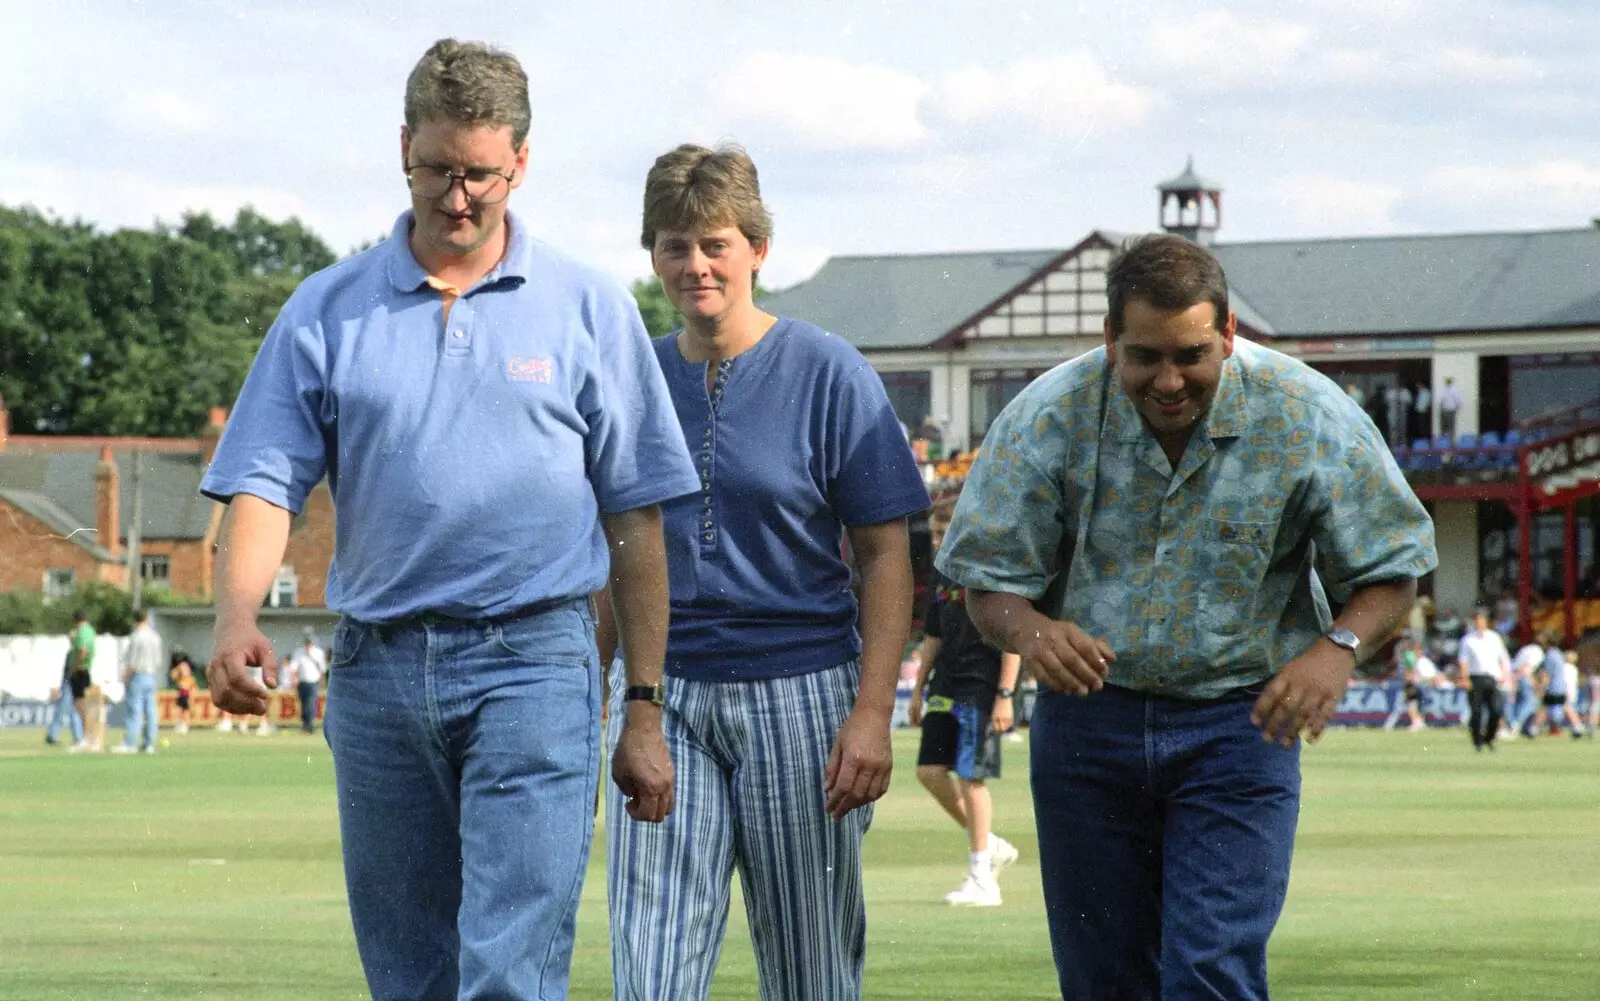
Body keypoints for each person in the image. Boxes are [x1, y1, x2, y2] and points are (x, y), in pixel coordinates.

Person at [199, 39, 697, 1001]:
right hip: (378, 670)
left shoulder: (587, 307)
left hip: (537, 662)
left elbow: (636, 522)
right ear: (402, 151)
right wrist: (234, 616)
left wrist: (642, 703)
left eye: (480, 174)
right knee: (410, 976)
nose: (457, 196)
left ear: (520, 162)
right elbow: (264, 483)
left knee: (509, 971)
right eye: (438, 170)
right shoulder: (326, 310)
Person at [936, 233, 1436, 1000]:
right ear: (1109, 340)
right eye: (1143, 356)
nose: (1168, 379)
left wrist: (1335, 648)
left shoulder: (1306, 414)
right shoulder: (1048, 416)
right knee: (1103, 977)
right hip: (1089, 722)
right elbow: (986, 584)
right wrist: (1035, 632)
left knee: (1211, 967)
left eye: (1192, 354)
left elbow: (1394, 570)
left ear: (1229, 335)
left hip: (1240, 723)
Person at [601, 143, 928, 1001]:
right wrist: (595, 694)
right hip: (660, 695)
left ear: (757, 247)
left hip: (802, 693)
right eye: (674, 244)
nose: (695, 264)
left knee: (811, 971)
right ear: (652, 255)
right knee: (652, 969)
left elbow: (888, 556)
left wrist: (871, 713)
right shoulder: (632, 376)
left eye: (714, 242)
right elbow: (611, 554)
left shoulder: (829, 372)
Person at [908, 539, 1022, 907]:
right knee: (928, 771)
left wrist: (1005, 695)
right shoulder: (945, 571)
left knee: (971, 776)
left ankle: (982, 879)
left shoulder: (997, 565)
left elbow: (1012, 638)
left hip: (982, 685)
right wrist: (917, 689)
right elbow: (933, 635)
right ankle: (990, 845)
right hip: (945, 683)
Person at [1458, 609, 1512, 751]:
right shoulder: (1468, 640)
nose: (1479, 623)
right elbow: (1463, 661)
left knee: (1496, 710)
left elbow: (1501, 658)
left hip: (1492, 678)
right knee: (1476, 712)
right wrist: (1465, 678)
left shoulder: (1494, 638)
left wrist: (1504, 675)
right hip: (1475, 678)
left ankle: (1489, 738)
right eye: (1476, 620)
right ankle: (1477, 741)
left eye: (1481, 620)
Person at [112, 607, 163, 754]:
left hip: (137, 676)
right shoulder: (155, 637)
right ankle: (149, 743)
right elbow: (158, 661)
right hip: (150, 676)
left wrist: (125, 679)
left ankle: (130, 743)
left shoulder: (136, 637)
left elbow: (131, 662)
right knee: (151, 711)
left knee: (134, 711)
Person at [1531, 638, 1588, 739]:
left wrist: (1541, 688)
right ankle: (1577, 727)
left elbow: (1546, 674)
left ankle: (1533, 729)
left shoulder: (1549, 655)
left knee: (1545, 707)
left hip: (1553, 687)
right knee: (1566, 706)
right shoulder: (1559, 654)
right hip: (1560, 686)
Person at [65, 610, 97, 752]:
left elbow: (82, 650)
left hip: (80, 671)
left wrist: (75, 666)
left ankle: (87, 738)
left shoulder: (82, 631)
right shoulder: (90, 630)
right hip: (84, 670)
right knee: (82, 705)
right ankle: (88, 737)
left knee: (80, 705)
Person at [44, 647, 84, 747]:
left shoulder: (72, 653)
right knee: (68, 710)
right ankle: (76, 737)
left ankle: (54, 735)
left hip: (69, 682)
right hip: (70, 682)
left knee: (67, 710)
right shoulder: (73, 653)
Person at [288, 629, 327, 733]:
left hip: (313, 682)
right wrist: (294, 679)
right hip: (302, 682)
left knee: (310, 703)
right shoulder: (298, 652)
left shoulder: (318, 653)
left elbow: (322, 669)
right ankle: (306, 724)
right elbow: (293, 667)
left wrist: (322, 681)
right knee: (304, 703)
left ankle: (309, 725)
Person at [1508, 633, 1544, 738]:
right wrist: (1534, 683)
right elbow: (1526, 667)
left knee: (1518, 702)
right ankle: (1517, 724)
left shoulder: (1526, 648)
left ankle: (1521, 726)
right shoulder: (1538, 652)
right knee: (1531, 702)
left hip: (1515, 674)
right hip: (1523, 676)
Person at [168, 650, 195, 734]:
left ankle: (185, 725)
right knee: (181, 709)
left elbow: (174, 677)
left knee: (184, 709)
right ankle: (182, 724)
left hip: (185, 693)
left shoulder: (183, 667)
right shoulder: (184, 667)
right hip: (183, 693)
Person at [1383, 381, 1412, 449]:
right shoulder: (1391, 392)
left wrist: (1401, 401)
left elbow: (1409, 401)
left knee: (1403, 429)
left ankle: (1403, 445)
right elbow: (1386, 401)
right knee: (1393, 429)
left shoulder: (1405, 392)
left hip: (1402, 413)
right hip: (1393, 413)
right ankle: (1393, 445)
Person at [1438, 376, 1462, 441]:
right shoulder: (1454, 391)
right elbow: (1458, 402)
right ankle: (1449, 442)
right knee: (1450, 427)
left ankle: (1446, 442)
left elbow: (1440, 402)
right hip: (1450, 411)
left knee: (1445, 427)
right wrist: (1456, 409)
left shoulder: (1444, 390)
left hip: (1446, 411)